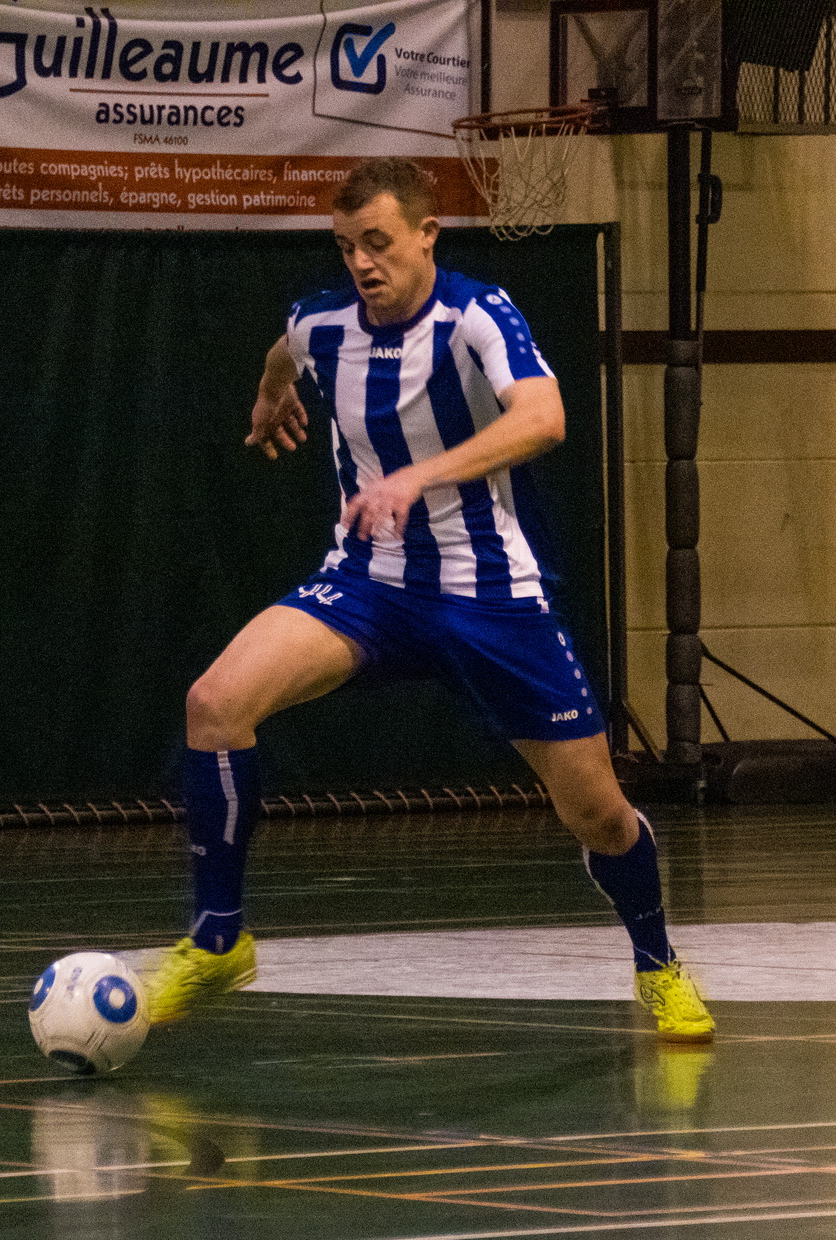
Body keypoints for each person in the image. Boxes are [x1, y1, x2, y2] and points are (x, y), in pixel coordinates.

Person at [144, 158, 714, 1041]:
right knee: (214, 703)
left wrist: (419, 475)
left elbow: (545, 418)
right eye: (345, 247)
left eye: (377, 243)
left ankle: (658, 962)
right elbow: (284, 350)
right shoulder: (320, 323)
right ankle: (219, 939)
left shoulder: (476, 315)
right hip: (369, 583)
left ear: (426, 234)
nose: (361, 263)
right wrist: (271, 394)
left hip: (489, 597)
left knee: (598, 814)